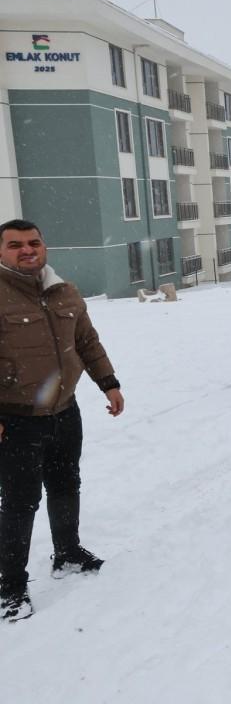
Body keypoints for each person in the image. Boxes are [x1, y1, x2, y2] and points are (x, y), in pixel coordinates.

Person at [0, 220, 125, 622]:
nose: (26, 250)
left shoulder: (63, 290)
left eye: (33, 242)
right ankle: (11, 588)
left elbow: (87, 341)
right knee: (20, 503)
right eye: (15, 244)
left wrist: (108, 383)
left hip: (64, 411)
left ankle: (67, 553)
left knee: (65, 483)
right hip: (16, 418)